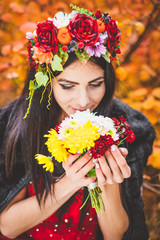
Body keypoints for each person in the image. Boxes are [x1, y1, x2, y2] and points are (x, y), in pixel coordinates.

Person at [0, 5, 156, 240]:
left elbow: (116, 233)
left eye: (95, 84)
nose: (84, 101)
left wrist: (107, 182)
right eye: (67, 85)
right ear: (46, 82)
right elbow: (7, 227)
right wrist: (71, 183)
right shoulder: (13, 124)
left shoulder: (127, 127)